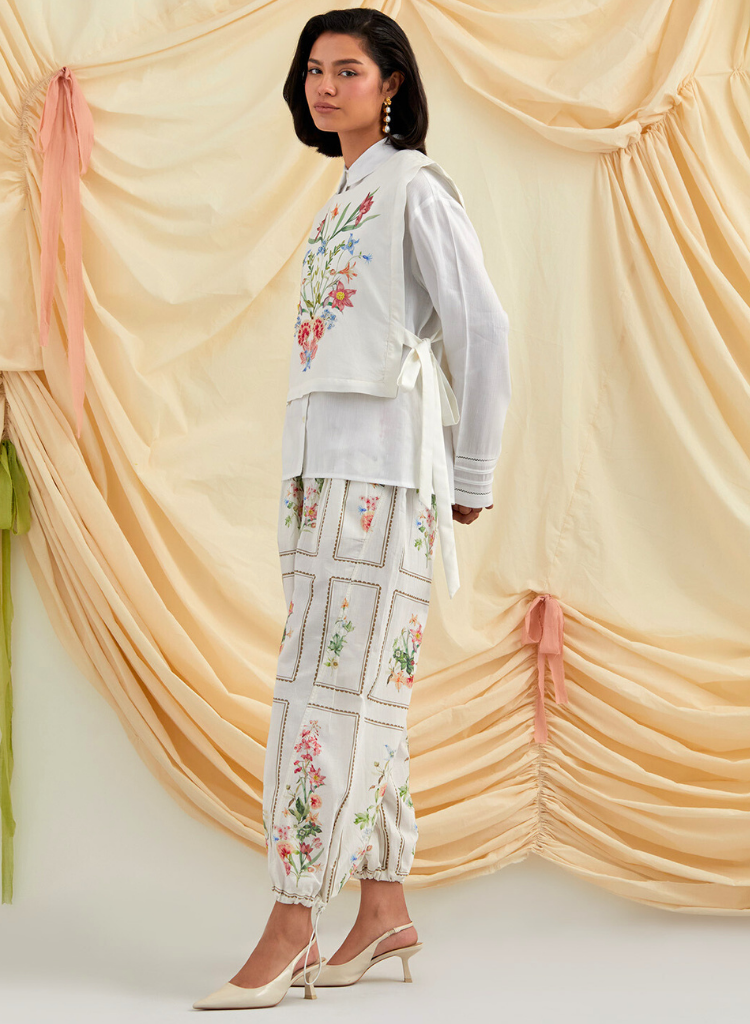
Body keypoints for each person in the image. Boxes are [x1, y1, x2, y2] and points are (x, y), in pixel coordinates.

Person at [193, 7, 511, 1011]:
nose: (325, 87)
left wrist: (471, 473)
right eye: (314, 71)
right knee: (357, 691)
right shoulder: (349, 191)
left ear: (392, 84)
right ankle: (383, 907)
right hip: (320, 475)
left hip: (382, 479)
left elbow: (483, 330)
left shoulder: (413, 185)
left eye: (348, 70)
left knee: (324, 698)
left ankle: (294, 923)